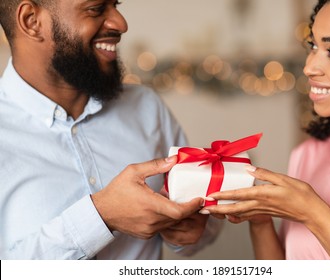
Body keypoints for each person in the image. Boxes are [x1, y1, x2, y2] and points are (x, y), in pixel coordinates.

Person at [0, 0, 221, 259]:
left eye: (116, 5)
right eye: (96, 9)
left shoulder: (146, 107)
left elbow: (201, 232)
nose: (121, 23)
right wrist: (102, 217)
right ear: (31, 21)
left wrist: (190, 232)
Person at [201, 0, 330, 259]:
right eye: (313, 46)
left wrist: (315, 216)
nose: (309, 67)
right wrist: (261, 221)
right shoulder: (308, 155)